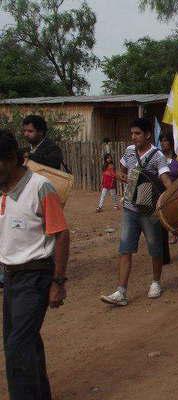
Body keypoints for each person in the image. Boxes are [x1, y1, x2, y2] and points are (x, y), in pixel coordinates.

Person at [0, 129, 69, 400]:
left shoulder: (40, 187)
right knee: (22, 342)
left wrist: (58, 282)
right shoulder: (2, 189)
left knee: (17, 346)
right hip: (12, 278)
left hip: (36, 275)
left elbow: (61, 234)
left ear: (9, 159)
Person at [100, 118, 172, 306]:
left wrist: (172, 197)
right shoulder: (129, 151)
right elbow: (121, 170)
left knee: (155, 248)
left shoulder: (157, 156)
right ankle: (121, 291)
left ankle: (156, 282)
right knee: (125, 249)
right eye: (132, 133)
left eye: (137, 133)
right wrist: (122, 176)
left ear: (148, 134)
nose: (133, 137)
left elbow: (165, 178)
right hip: (130, 208)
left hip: (150, 210)